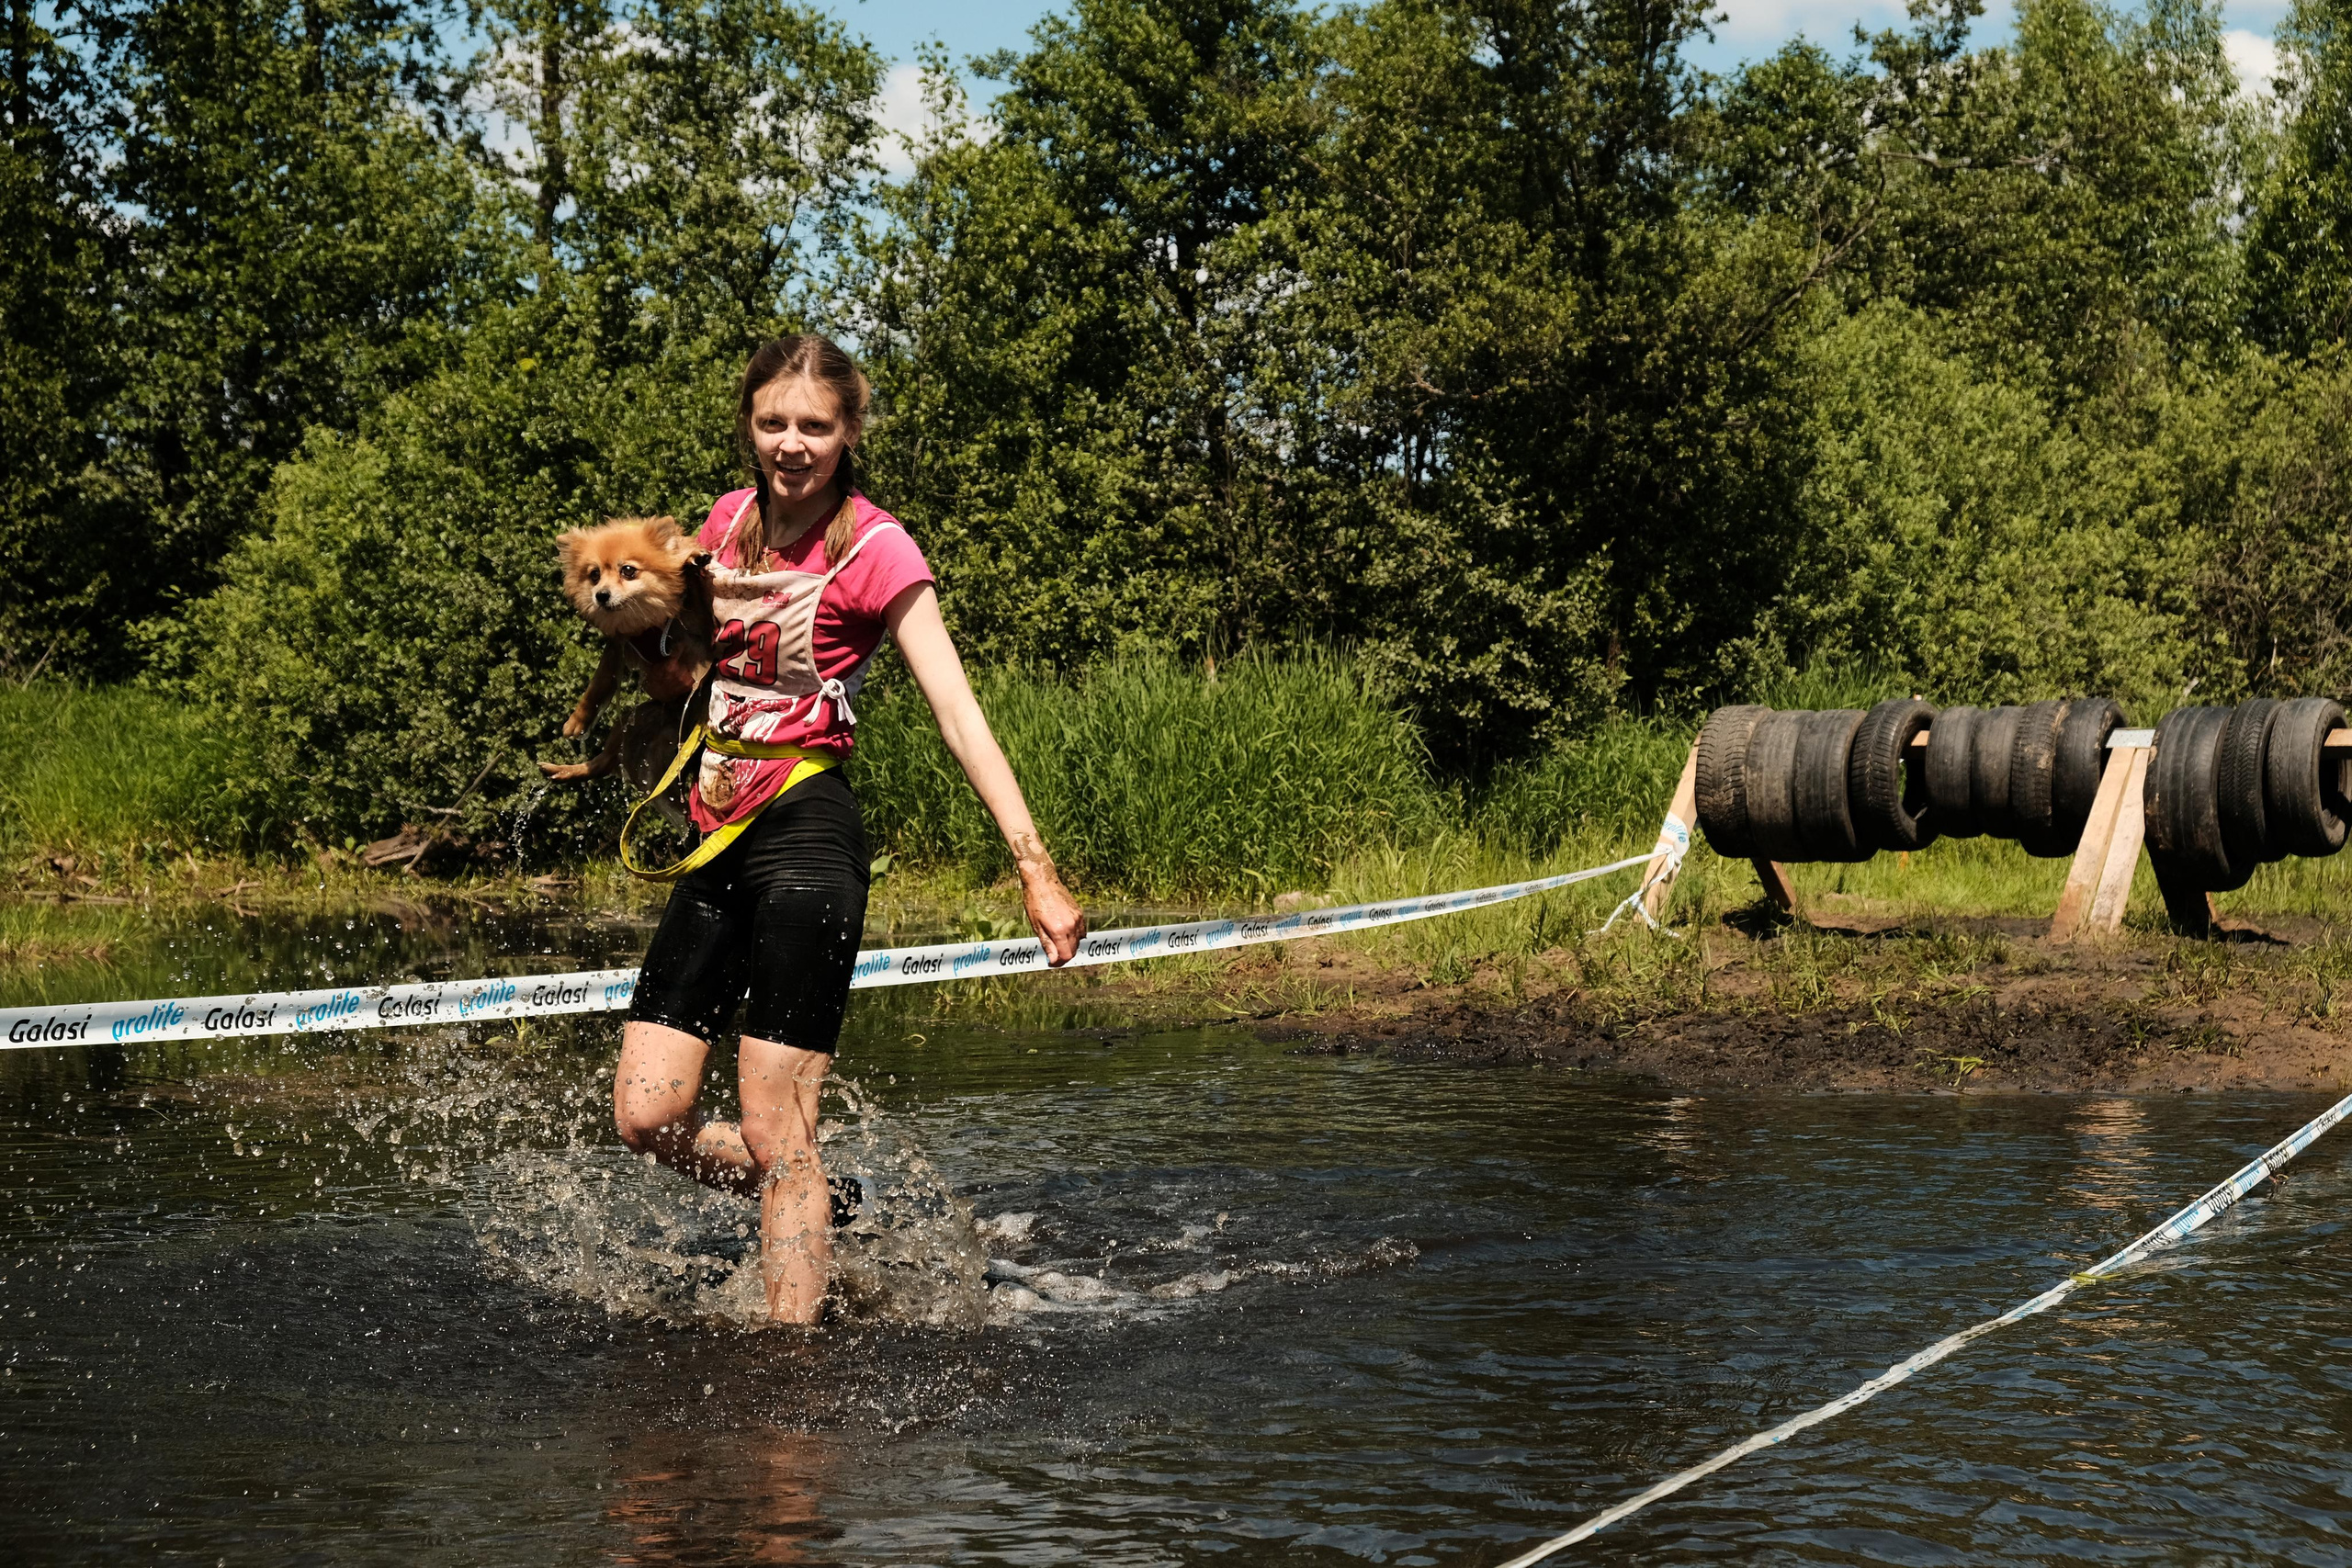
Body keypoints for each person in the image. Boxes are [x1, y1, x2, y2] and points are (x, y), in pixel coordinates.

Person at [611, 334, 1086, 1325]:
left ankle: (789, 1381)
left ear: (849, 433)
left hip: (806, 836)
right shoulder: (726, 522)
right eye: (772, 422)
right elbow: (687, 667)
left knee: (776, 1127)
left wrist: (1034, 870)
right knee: (646, 1116)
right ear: (748, 426)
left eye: (814, 427)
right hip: (714, 835)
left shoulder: (878, 548)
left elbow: (960, 714)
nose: (791, 445)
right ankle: (825, 1205)